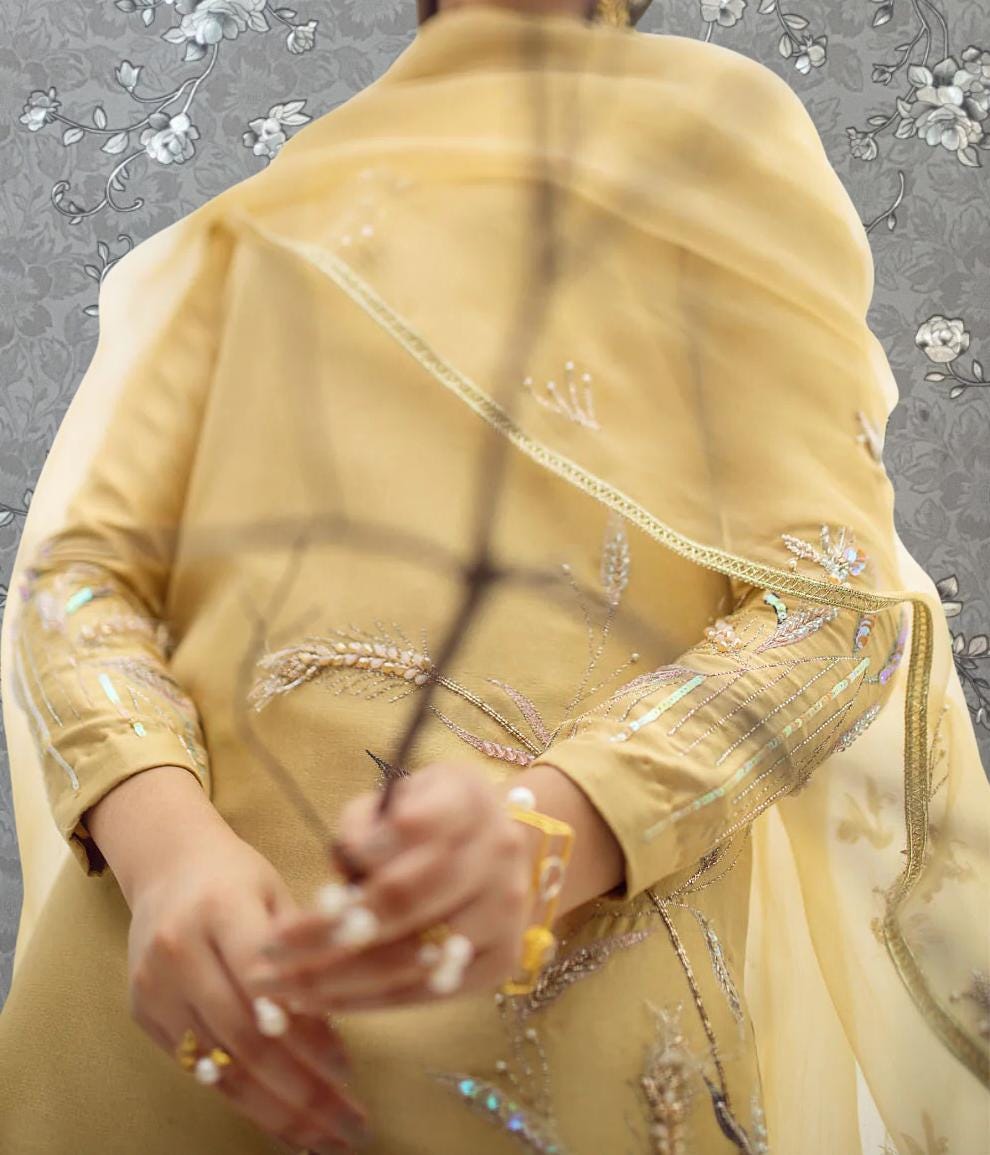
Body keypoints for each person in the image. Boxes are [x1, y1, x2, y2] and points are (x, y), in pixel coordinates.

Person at [1, 2, 987, 1152]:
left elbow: (830, 606)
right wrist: (166, 851)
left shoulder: (701, 144)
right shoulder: (241, 235)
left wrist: (557, 826)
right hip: (160, 1022)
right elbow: (85, 581)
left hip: (542, 1027)